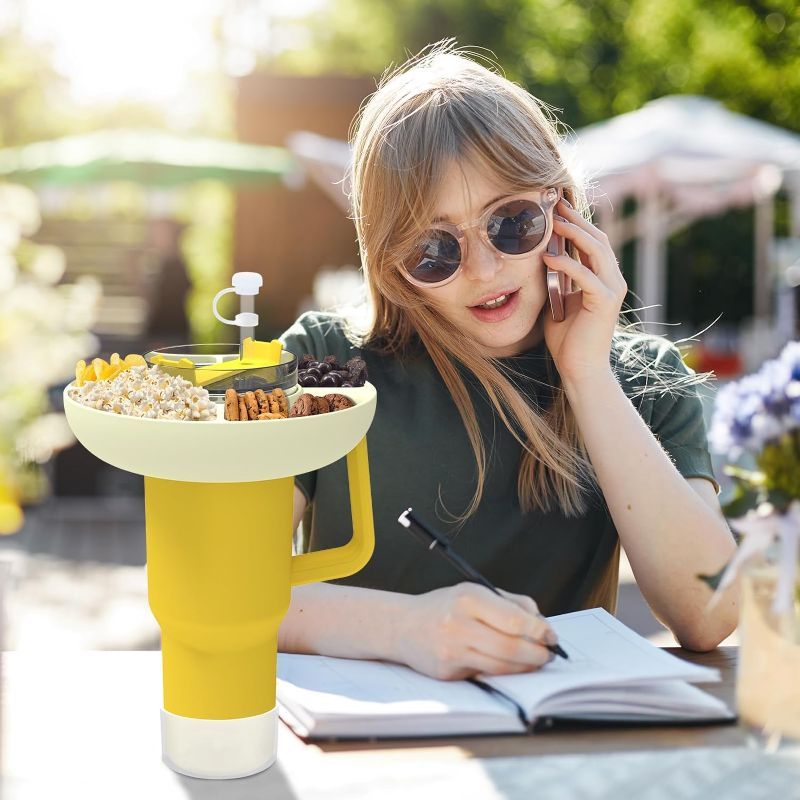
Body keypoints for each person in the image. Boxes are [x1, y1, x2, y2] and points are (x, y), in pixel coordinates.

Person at [277, 43, 738, 682]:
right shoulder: (324, 362)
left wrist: (588, 377)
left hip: (564, 757)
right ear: (387, 264)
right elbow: (228, 585)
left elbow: (709, 613)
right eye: (434, 250)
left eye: (513, 222)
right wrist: (405, 630)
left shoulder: (639, 378)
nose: (486, 270)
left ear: (564, 210)